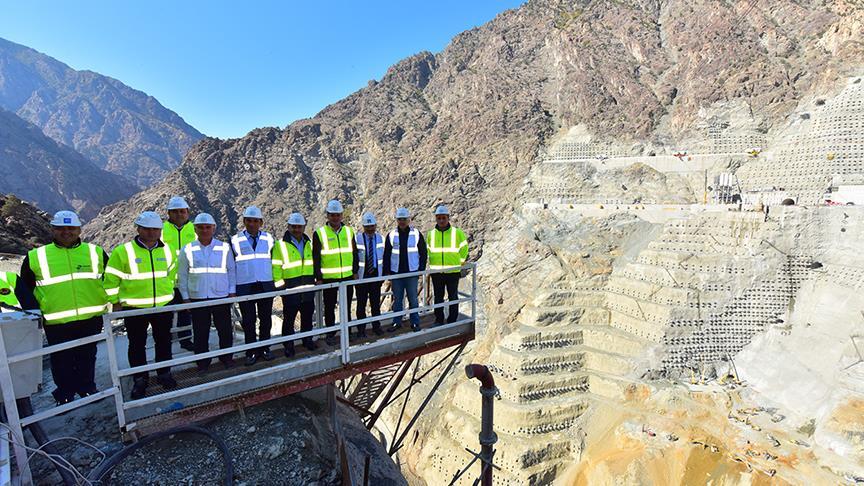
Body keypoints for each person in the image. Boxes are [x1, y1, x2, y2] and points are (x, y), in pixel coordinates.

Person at [15, 211, 109, 405]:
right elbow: (25, 290)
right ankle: (65, 394)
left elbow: (111, 280)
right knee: (61, 359)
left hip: (90, 316)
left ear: (79, 229)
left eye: (71, 228)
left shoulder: (95, 252)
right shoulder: (36, 256)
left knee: (87, 355)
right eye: (61, 228)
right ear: (53, 230)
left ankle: (87, 388)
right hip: (56, 319)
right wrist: (35, 314)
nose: (66, 232)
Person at [104, 211, 177, 399]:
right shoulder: (123, 251)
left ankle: (164, 373)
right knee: (137, 344)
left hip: (162, 305)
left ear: (160, 230)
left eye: (155, 229)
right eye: (147, 229)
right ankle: (140, 378)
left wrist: (168, 294)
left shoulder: (167, 250)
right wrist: (115, 302)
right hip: (134, 308)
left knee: (164, 340)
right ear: (138, 229)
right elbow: (111, 280)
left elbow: (171, 275)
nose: (152, 233)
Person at [177, 213, 237, 371]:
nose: (204, 230)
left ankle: (227, 357)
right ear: (195, 229)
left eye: (207, 227)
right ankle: (202, 362)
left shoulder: (224, 248)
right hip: (198, 297)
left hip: (220, 296)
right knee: (200, 331)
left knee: (224, 330)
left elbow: (231, 270)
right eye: (201, 227)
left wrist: (232, 291)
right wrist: (185, 298)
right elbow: (182, 275)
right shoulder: (188, 249)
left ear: (214, 228)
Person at [231, 206, 276, 366]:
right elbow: (231, 267)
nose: (252, 224)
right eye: (249, 220)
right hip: (245, 286)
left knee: (265, 320)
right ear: (244, 221)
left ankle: (265, 348)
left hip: (265, 285)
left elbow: (275, 262)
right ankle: (251, 351)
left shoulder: (269, 239)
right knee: (248, 321)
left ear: (261, 222)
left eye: (255, 221)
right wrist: (232, 289)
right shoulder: (235, 240)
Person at [312, 200, 358, 346]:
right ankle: (330, 333)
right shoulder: (320, 233)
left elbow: (354, 253)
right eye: (332, 215)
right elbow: (316, 257)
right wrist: (318, 277)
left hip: (347, 276)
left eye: (337, 215)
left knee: (346, 306)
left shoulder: (349, 231)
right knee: (330, 307)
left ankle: (348, 331)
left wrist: (355, 271)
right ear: (328, 216)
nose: (335, 218)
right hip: (328, 278)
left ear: (341, 216)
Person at [272, 213, 316, 356]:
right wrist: (281, 288)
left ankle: (307, 340)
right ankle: (288, 345)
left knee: (307, 318)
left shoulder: (309, 243)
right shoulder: (280, 245)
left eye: (299, 227)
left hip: (308, 289)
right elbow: (276, 268)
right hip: (290, 291)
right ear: (288, 227)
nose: (296, 229)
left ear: (304, 227)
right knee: (289, 320)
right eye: (294, 227)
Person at [383, 208, 427, 332]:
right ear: (397, 220)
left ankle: (415, 322)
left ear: (409, 220)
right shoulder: (391, 235)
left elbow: (423, 253)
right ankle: (397, 322)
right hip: (396, 273)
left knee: (413, 299)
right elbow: (387, 254)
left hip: (412, 272)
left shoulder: (416, 233)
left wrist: (420, 270)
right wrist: (388, 271)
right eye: (400, 219)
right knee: (397, 299)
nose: (402, 221)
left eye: (404, 219)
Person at [162, 196, 196, 351]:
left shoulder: (195, 230)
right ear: (169, 213)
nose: (179, 214)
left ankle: (185, 340)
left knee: (186, 313)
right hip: (166, 282)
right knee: (165, 316)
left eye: (182, 211)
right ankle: (164, 340)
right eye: (175, 211)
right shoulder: (161, 230)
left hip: (187, 281)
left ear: (188, 212)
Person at [426, 205, 468, 325]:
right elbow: (427, 250)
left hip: (453, 271)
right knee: (438, 297)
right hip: (437, 272)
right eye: (439, 218)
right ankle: (439, 319)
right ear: (436, 219)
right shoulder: (431, 234)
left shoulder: (457, 233)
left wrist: (459, 263)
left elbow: (464, 249)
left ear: (448, 218)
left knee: (453, 297)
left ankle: (452, 320)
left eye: (443, 218)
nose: (441, 220)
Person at [354, 212, 385, 338]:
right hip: (362, 277)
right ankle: (361, 330)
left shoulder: (381, 238)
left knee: (375, 304)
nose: (370, 229)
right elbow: (353, 257)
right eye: (367, 227)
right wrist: (354, 273)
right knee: (361, 305)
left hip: (376, 277)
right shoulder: (357, 239)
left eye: (372, 226)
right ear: (363, 227)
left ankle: (376, 327)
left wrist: (383, 275)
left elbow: (385, 257)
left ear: (375, 225)